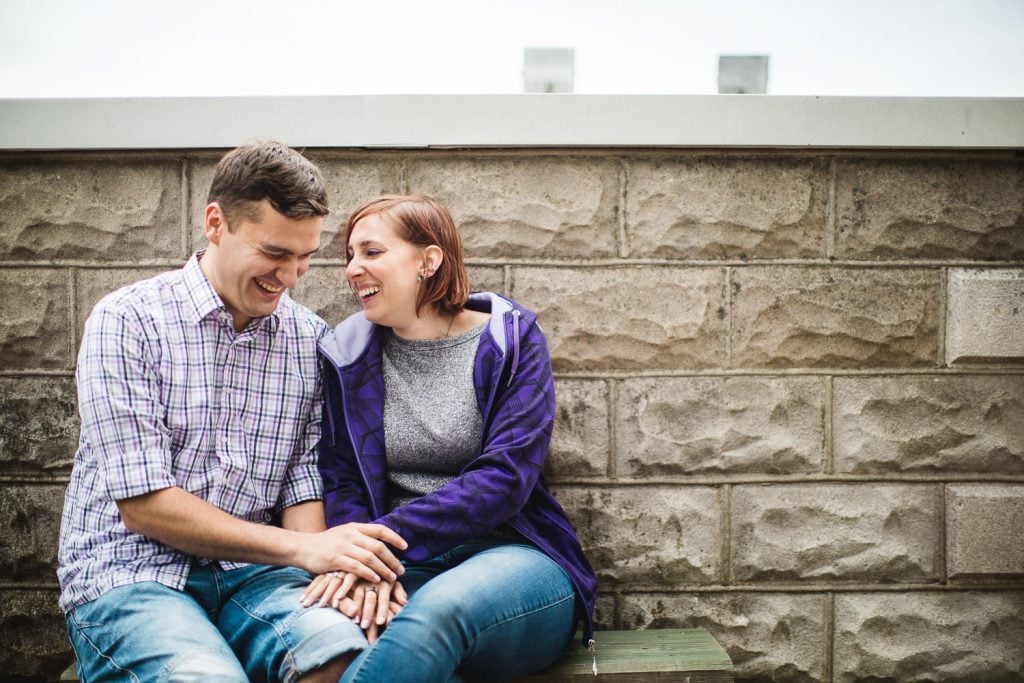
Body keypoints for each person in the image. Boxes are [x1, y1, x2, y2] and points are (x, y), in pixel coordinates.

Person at [57, 141, 409, 682]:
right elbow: (144, 506)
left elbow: (301, 480)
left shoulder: (308, 338)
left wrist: (332, 569)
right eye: (274, 254)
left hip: (256, 576)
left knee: (349, 658)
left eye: (305, 257)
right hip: (131, 573)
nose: (290, 276)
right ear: (216, 223)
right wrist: (306, 549)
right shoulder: (126, 321)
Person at [302, 193, 598, 682]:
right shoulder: (347, 356)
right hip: (396, 566)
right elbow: (343, 478)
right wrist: (361, 562)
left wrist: (380, 550)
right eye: (349, 256)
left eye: (371, 252)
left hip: (515, 560)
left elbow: (504, 479)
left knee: (433, 615)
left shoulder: (511, 340)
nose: (353, 269)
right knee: (348, 636)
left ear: (428, 259)